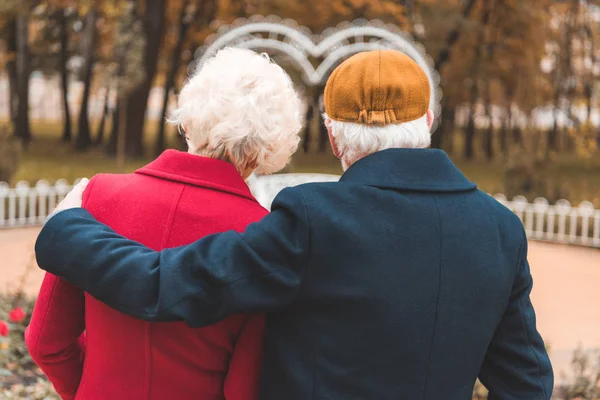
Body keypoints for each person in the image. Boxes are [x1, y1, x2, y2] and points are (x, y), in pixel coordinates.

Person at [35, 50, 554, 400]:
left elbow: (167, 286)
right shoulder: (500, 229)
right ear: (429, 122)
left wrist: (68, 227)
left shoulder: (312, 219)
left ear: (332, 135)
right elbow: (527, 383)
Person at [26, 47, 302, 400]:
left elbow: (45, 342)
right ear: (271, 147)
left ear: (188, 119)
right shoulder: (262, 235)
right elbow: (243, 387)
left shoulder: (95, 198)